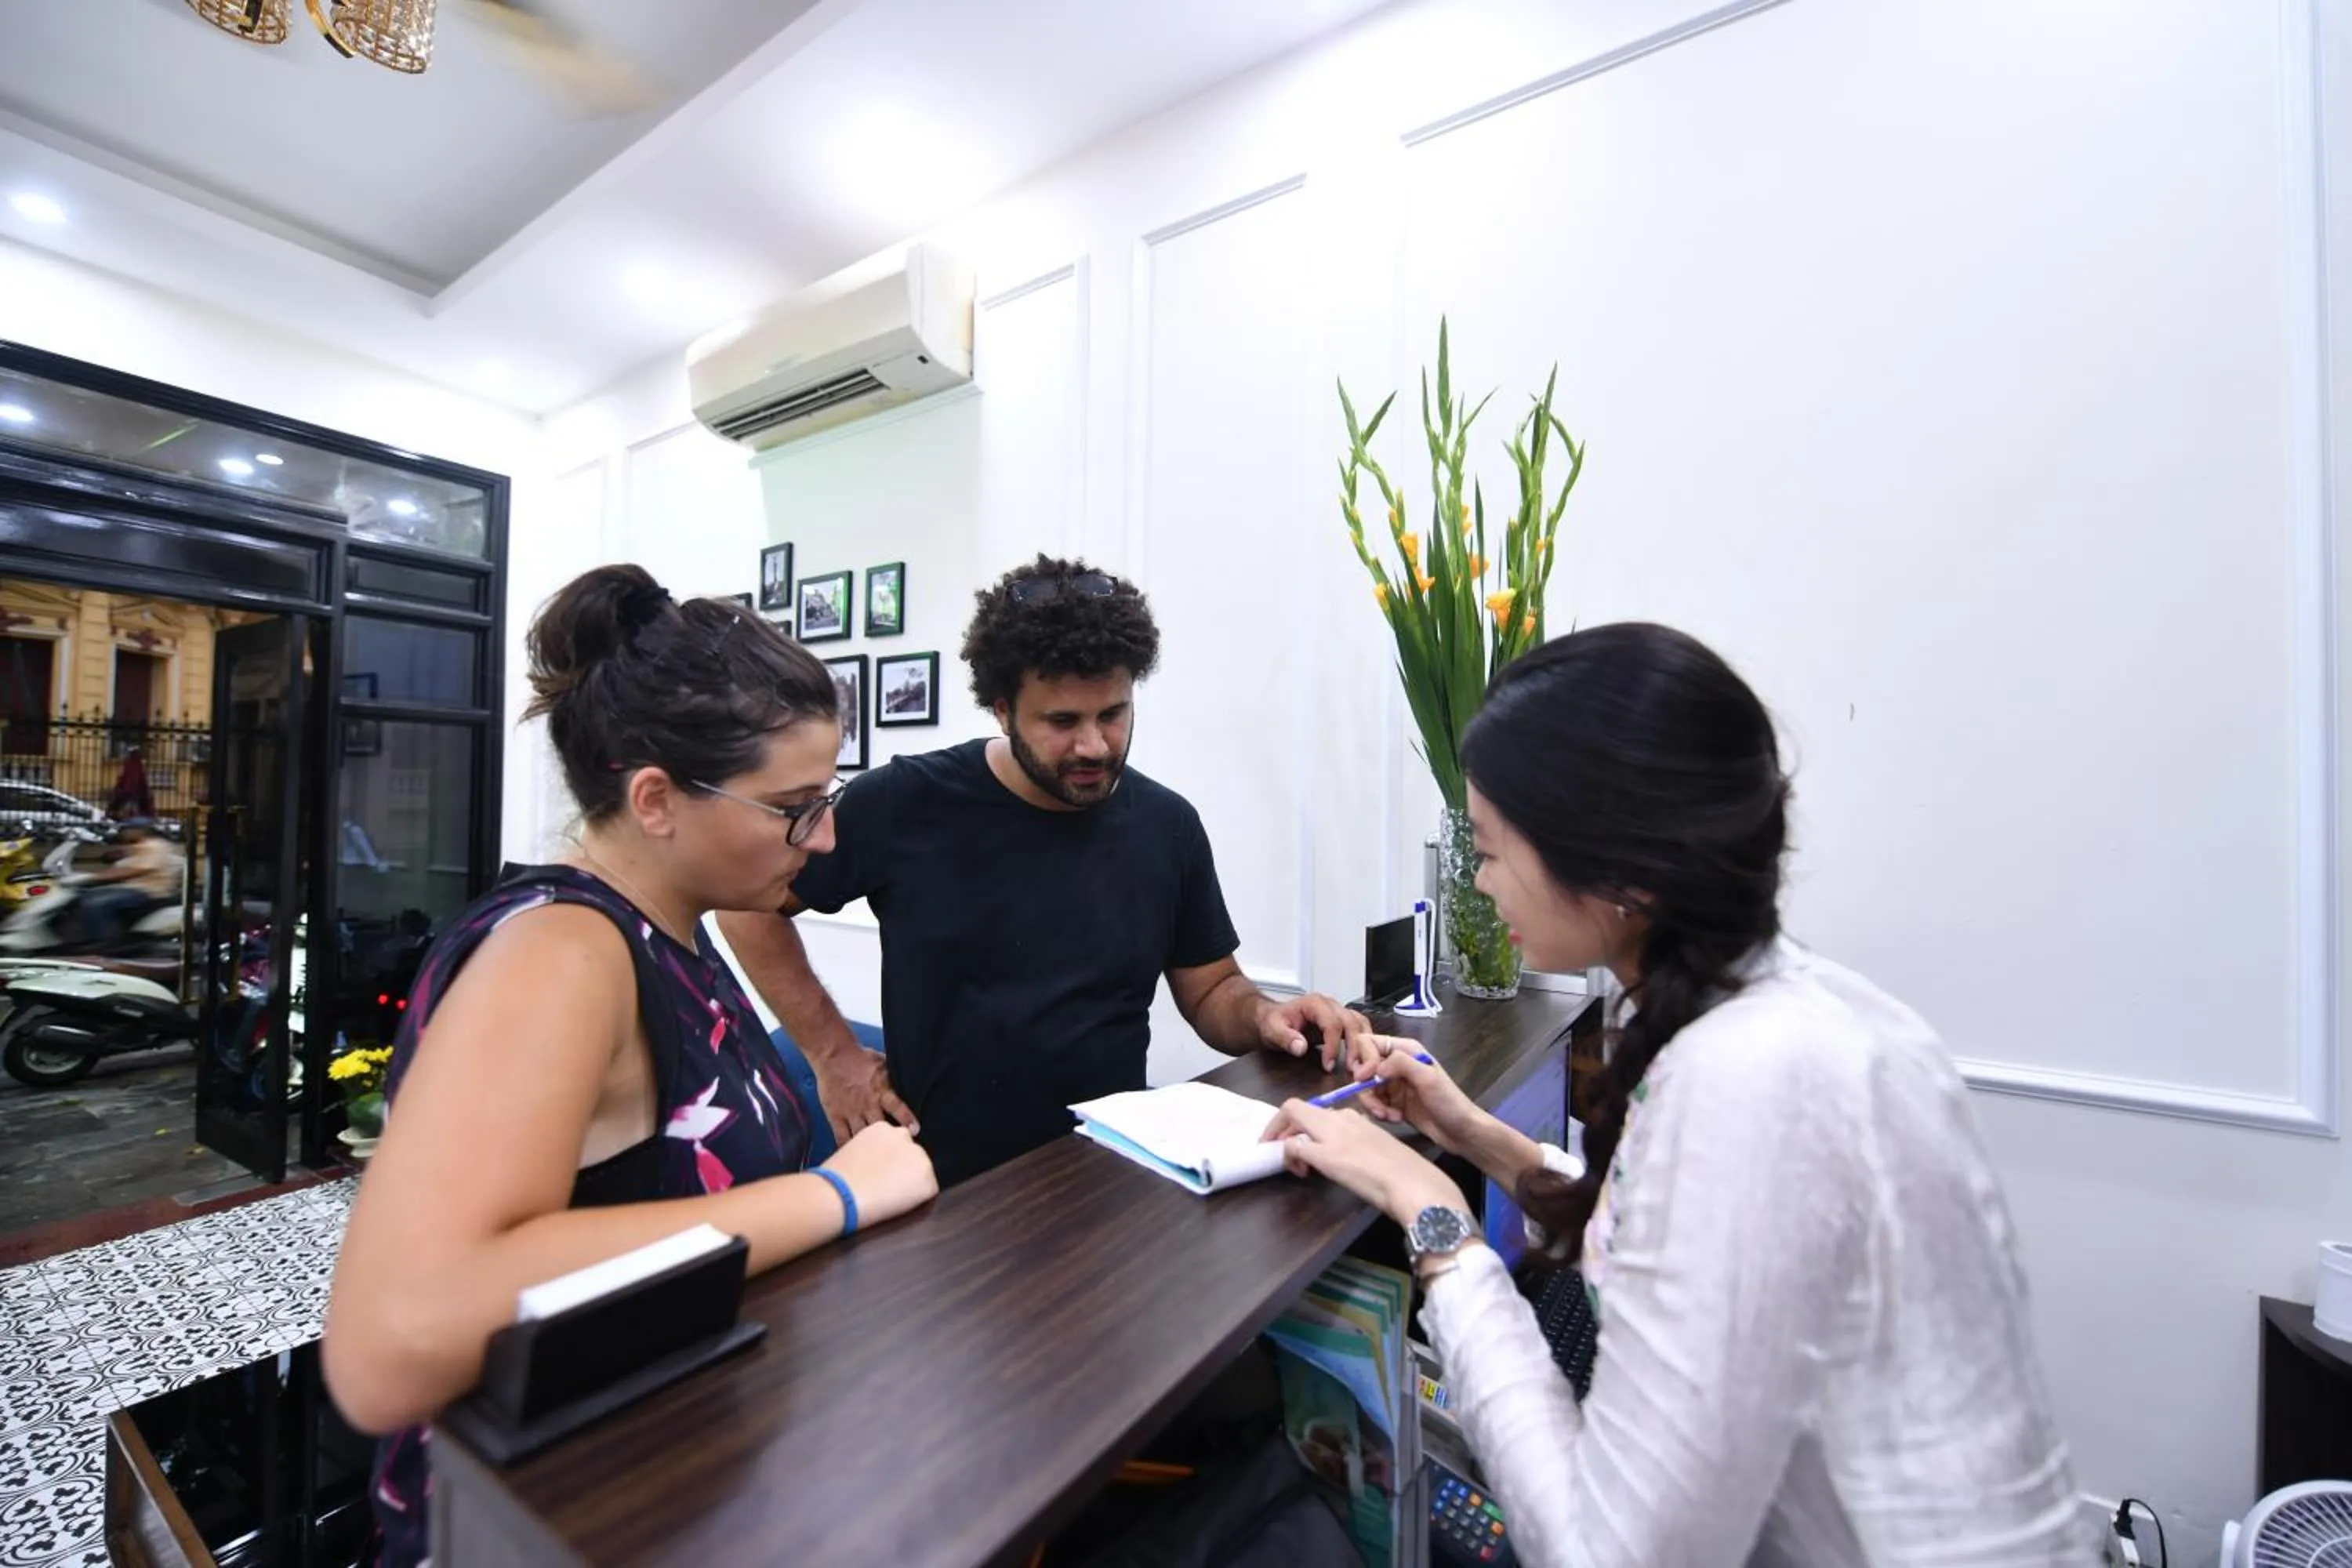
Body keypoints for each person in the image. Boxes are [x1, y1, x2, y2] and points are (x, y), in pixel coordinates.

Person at [1265, 624, 2093, 1567]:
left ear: (1618, 865)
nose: (1483, 884)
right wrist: (1472, 1133)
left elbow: (1602, 1550)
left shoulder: (1758, 1081)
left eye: (1493, 851)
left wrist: (1437, 1219)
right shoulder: (1782, 1016)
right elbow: (1654, 1233)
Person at [323, 565, 938, 1568]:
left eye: (826, 800)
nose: (823, 837)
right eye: (793, 807)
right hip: (533, 1524)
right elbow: (396, 1335)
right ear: (655, 797)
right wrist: (834, 1194)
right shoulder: (561, 950)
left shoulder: (674, 934)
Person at [718, 555, 1374, 1187]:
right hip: (944, 1187)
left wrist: (1266, 1018)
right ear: (1002, 710)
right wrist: (832, 1054)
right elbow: (742, 901)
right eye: (1063, 721)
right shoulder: (901, 801)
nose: (1094, 745)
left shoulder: (1167, 825)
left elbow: (1210, 993)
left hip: (1112, 1177)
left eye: (1113, 715)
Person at [74, 818, 182, 946]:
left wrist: (94, 878)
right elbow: (122, 867)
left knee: (96, 905)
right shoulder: (138, 847)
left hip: (147, 891)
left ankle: (105, 945)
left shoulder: (155, 846)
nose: (124, 833)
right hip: (130, 888)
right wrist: (92, 877)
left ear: (141, 831)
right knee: (82, 896)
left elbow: (139, 870)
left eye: (128, 829)